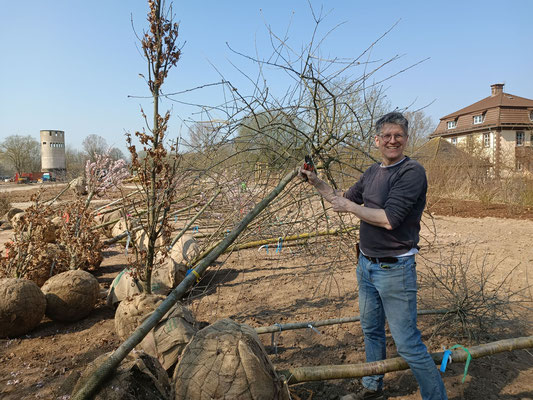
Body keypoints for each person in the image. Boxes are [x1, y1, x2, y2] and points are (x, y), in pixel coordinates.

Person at [299, 112, 447, 400]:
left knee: (407, 344)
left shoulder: (411, 172)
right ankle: (373, 387)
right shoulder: (371, 172)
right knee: (371, 330)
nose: (393, 141)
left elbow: (389, 219)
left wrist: (350, 208)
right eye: (387, 136)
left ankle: (436, 397)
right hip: (366, 265)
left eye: (398, 136)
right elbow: (341, 198)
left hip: (395, 270)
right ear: (377, 140)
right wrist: (316, 181)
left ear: (406, 139)